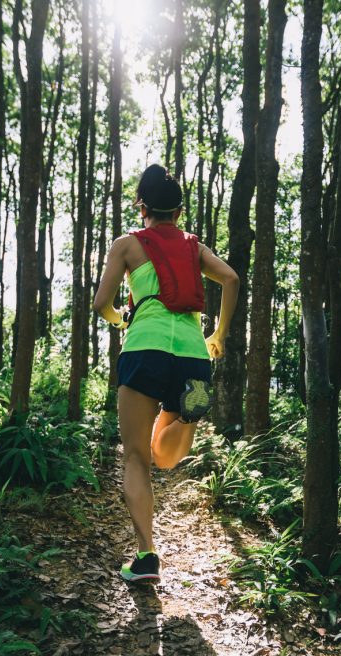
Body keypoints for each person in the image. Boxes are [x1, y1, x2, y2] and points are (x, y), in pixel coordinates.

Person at [92, 164, 239, 584]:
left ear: (142, 206)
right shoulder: (195, 247)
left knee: (138, 456)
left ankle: (146, 558)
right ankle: (189, 416)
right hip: (192, 354)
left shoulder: (127, 244)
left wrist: (120, 318)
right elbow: (230, 278)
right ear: (178, 211)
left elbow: (101, 302)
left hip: (144, 350)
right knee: (167, 455)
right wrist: (219, 333)